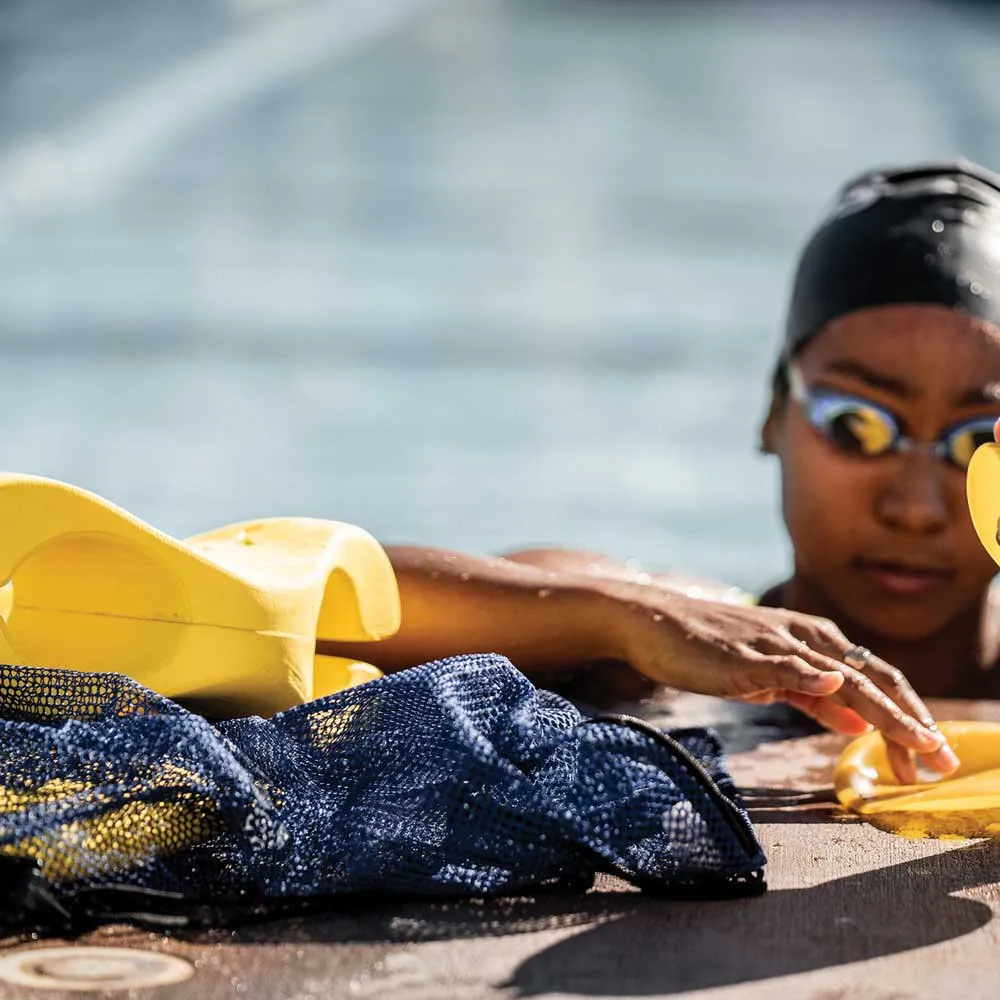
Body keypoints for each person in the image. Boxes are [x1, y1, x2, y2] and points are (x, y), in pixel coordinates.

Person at [323, 159, 1000, 782]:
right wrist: (620, 621)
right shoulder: (651, 640)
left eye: (977, 441)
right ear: (774, 412)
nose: (915, 508)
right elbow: (321, 610)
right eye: (857, 425)